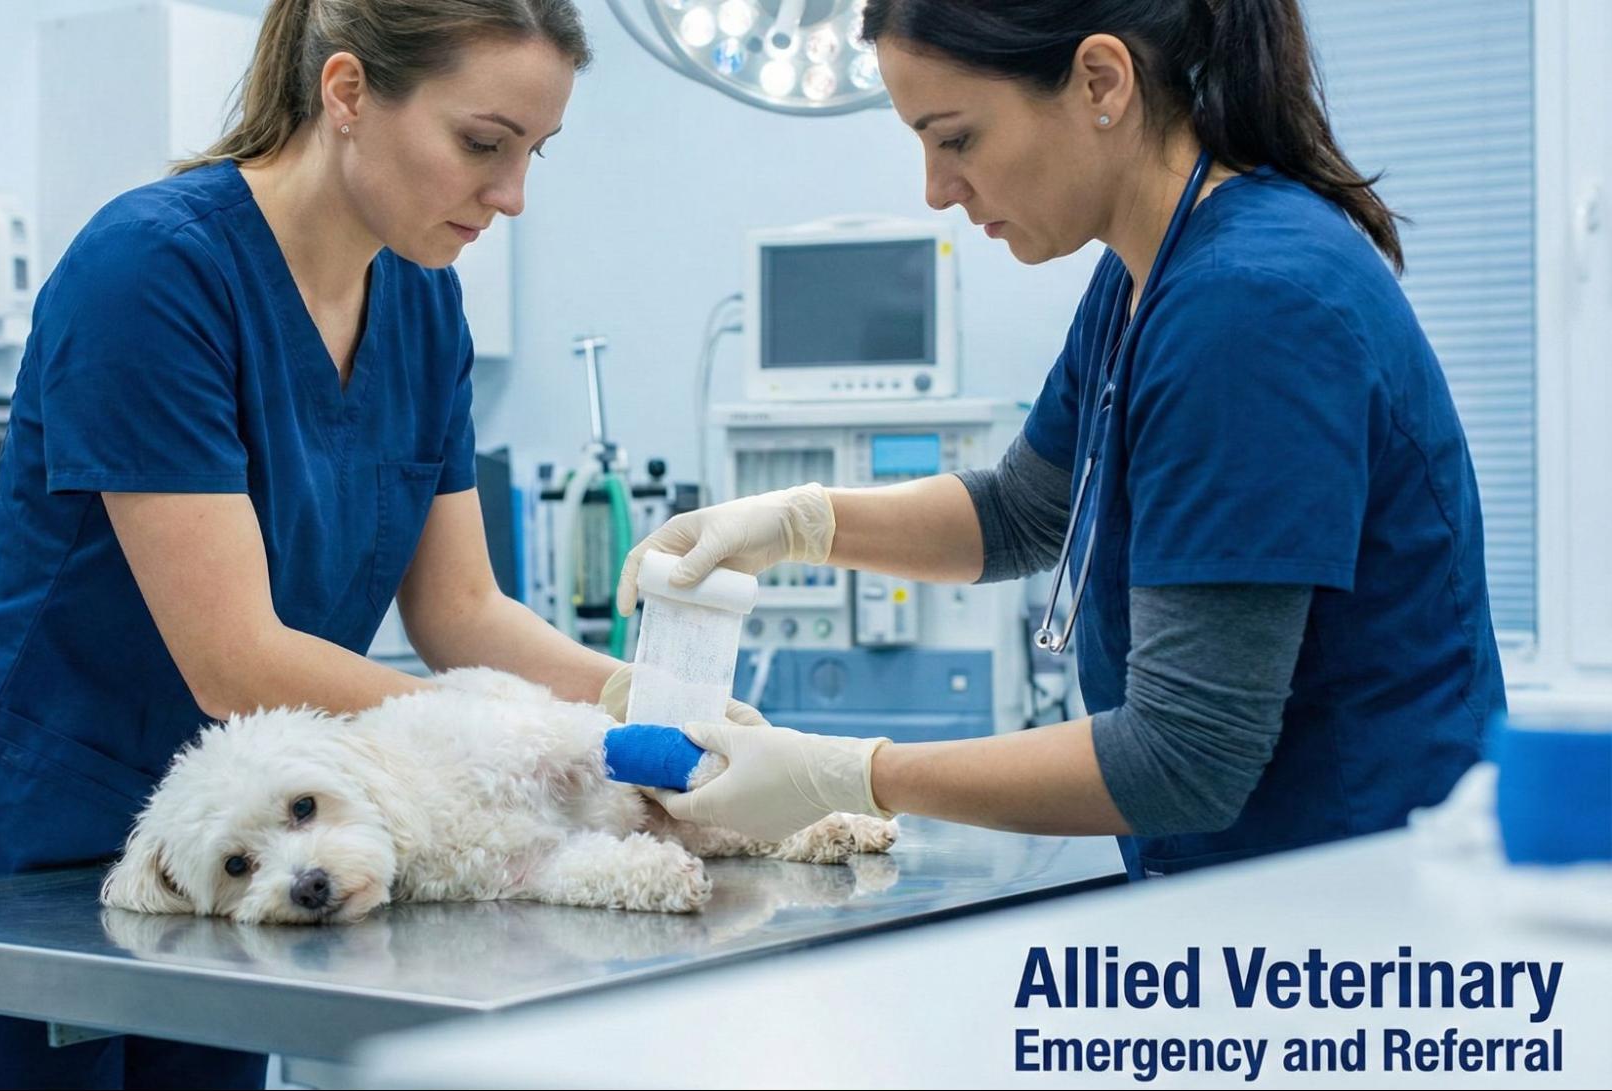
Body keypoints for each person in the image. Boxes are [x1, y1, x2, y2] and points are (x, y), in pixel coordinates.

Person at [0, 2, 618, 1086]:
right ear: (346, 93)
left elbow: (461, 610)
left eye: (532, 153)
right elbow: (237, 659)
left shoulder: (425, 305)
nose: (511, 195)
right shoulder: (152, 272)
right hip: (21, 846)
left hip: (243, 863)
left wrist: (656, 709)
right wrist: (538, 739)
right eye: (482, 144)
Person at [617, 0, 1504, 883]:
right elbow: (1023, 510)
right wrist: (796, 522)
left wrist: (850, 776)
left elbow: (1182, 753)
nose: (936, 188)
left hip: (1346, 911)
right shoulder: (1147, 275)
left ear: (1099, 82)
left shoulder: (1248, 306)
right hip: (1264, 892)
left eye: (955, 138)